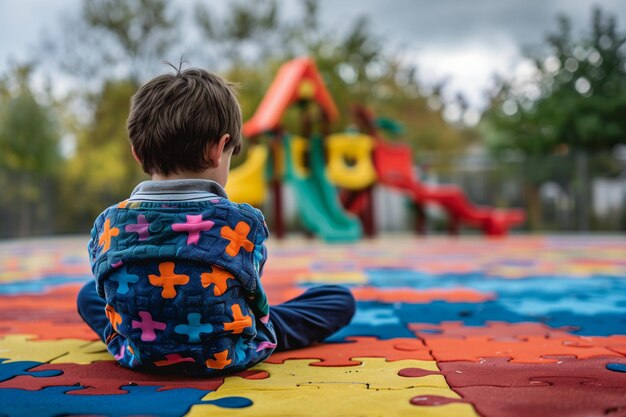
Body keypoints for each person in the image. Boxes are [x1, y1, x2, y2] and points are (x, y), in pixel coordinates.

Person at [76, 66, 356, 376]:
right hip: (225, 350)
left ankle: (152, 336)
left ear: (137, 155)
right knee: (337, 298)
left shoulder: (108, 224)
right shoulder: (241, 221)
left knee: (87, 294)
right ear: (217, 149)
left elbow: (106, 291)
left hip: (141, 348)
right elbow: (255, 298)